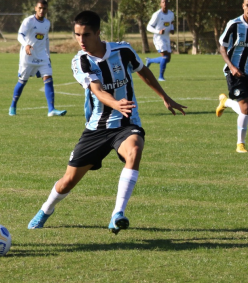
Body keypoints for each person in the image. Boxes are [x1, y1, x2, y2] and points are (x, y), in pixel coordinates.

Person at [27, 10, 186, 234]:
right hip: (97, 128)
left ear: (99, 33)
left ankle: (117, 214)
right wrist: (115, 103)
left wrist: (165, 97)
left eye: (86, 34)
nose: (81, 40)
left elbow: (144, 72)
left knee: (135, 150)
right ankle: (45, 210)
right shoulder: (80, 61)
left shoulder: (123, 50)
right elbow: (97, 90)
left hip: (126, 122)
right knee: (68, 181)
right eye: (77, 35)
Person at [8, 0, 66, 117]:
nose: (41, 10)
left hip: (42, 56)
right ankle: (13, 106)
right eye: (40, 8)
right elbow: (20, 35)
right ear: (35, 8)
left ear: (46, 10)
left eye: (44, 8)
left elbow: (46, 40)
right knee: (22, 81)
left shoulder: (47, 23)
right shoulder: (28, 21)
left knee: (48, 79)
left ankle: (51, 110)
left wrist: (48, 56)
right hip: (28, 56)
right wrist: (26, 45)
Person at [215, 0, 248, 153]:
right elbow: (222, 47)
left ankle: (225, 102)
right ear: (243, 6)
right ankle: (240, 144)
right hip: (234, 72)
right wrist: (232, 67)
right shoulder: (234, 24)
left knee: (246, 108)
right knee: (246, 108)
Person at [146, 0, 175, 81]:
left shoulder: (171, 14)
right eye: (163, 2)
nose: (165, 3)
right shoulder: (157, 14)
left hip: (166, 38)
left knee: (167, 59)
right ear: (160, 4)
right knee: (164, 57)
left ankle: (150, 60)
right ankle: (160, 77)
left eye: (166, 2)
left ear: (169, 3)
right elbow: (148, 27)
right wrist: (158, 31)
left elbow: (171, 23)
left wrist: (172, 29)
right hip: (158, 38)